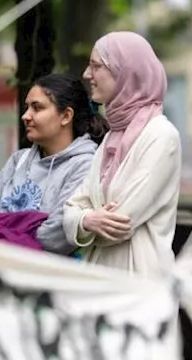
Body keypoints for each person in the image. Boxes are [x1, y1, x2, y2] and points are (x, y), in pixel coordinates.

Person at [63, 32, 181, 276]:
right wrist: (86, 220)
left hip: (138, 285)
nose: (87, 74)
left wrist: (83, 220)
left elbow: (120, 224)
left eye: (96, 66)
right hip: (98, 282)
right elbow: (70, 210)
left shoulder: (161, 135)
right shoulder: (111, 136)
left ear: (124, 71)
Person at [0, 74, 102, 255]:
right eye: (27, 107)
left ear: (66, 116)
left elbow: (54, 238)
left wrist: (1, 230)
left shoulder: (85, 165)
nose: (25, 116)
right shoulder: (18, 160)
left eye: (37, 108)